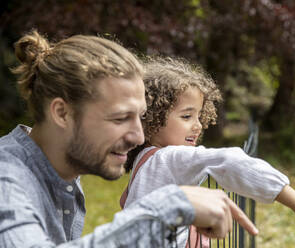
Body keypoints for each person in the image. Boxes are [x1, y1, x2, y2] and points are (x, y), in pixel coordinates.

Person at [0, 30, 259, 247]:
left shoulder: (60, 170)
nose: (138, 136)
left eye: (141, 116)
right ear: (62, 112)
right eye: (120, 118)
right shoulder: (6, 180)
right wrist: (165, 209)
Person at [120, 56, 295, 247]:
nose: (198, 125)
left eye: (199, 116)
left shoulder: (145, 158)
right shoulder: (169, 158)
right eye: (186, 116)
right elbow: (230, 161)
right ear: (150, 119)